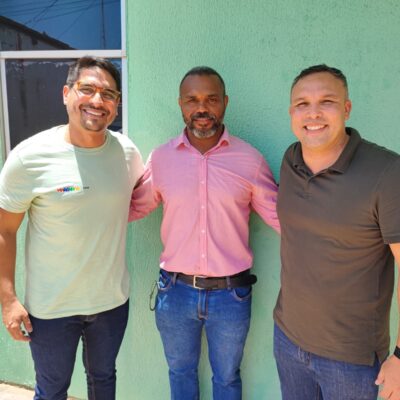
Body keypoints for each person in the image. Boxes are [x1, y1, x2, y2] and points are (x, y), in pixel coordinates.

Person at [130, 66, 280, 399]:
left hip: (231, 294)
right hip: (175, 291)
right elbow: (133, 207)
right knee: (180, 372)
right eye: (192, 99)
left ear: (225, 102)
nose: (202, 108)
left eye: (211, 99)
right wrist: (81, 201)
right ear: (180, 104)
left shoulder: (250, 160)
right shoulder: (162, 158)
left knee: (227, 377)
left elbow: (281, 217)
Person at [0, 56, 144, 400]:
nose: (97, 100)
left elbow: (138, 198)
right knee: (52, 391)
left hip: (110, 302)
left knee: (103, 380)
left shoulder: (127, 153)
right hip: (51, 309)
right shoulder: (29, 157)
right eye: (87, 89)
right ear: (66, 93)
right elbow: (5, 230)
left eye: (108, 94)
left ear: (117, 104)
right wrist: (8, 300)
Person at [273, 64, 400, 400]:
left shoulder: (387, 173)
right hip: (287, 340)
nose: (313, 113)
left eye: (326, 101)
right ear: (291, 113)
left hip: (351, 360)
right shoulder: (291, 159)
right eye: (302, 104)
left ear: (347, 108)